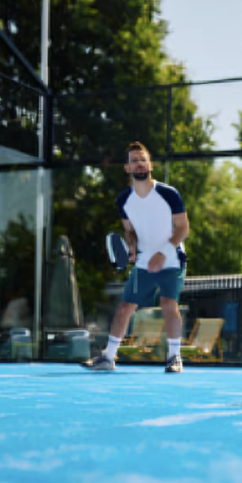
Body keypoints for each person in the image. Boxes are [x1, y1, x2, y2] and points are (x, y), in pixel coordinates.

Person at [83, 142, 190, 373]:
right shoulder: (123, 200)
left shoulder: (169, 194)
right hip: (143, 261)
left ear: (150, 164)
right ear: (127, 168)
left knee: (168, 304)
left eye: (142, 159)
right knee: (124, 308)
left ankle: (174, 357)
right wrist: (131, 246)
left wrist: (163, 254)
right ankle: (108, 358)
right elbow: (130, 230)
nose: (139, 164)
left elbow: (183, 229)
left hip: (172, 258)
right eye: (134, 160)